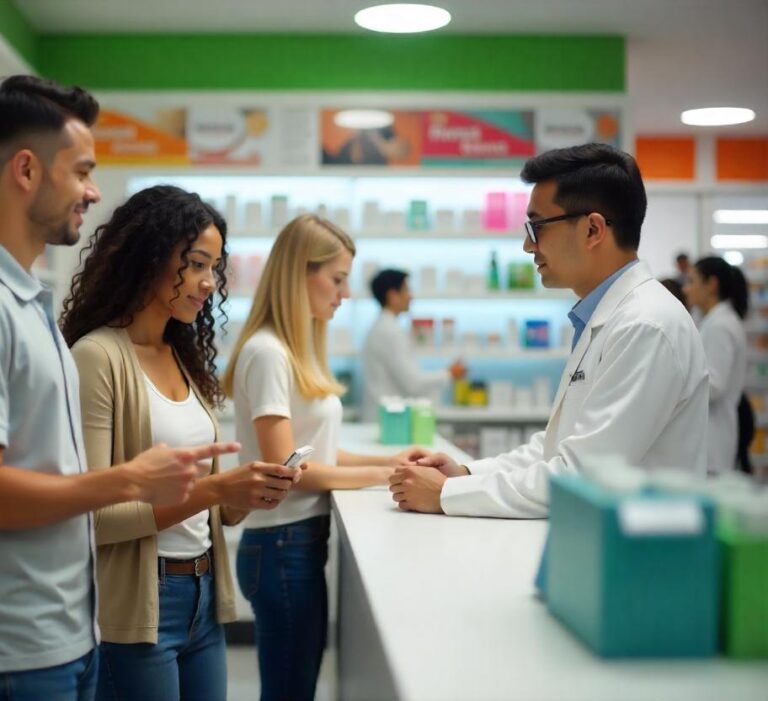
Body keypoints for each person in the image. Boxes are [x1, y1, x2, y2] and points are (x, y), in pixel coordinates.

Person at [0, 76, 237, 701]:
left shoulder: (24, 302)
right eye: (82, 170)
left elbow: (48, 472)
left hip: (60, 635)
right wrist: (133, 480)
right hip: (5, 649)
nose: (92, 191)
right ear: (26, 170)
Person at [60, 185, 302, 700]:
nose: (207, 283)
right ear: (149, 256)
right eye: (195, 264)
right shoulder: (97, 358)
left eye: (213, 268)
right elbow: (91, 517)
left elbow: (203, 505)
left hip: (203, 596)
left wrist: (243, 496)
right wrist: (215, 492)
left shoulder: (181, 356)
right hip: (137, 606)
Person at [389, 143, 710, 518]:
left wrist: (448, 494)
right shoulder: (610, 316)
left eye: (537, 226)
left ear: (593, 230)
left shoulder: (647, 325)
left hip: (643, 559)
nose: (528, 245)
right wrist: (465, 473)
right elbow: (557, 447)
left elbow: (582, 479)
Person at [222, 214, 431, 700]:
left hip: (294, 545)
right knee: (291, 691)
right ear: (300, 274)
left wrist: (392, 460)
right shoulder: (269, 352)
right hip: (280, 547)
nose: (345, 294)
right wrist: (388, 473)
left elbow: (315, 450)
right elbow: (288, 471)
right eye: (337, 280)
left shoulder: (293, 350)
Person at [361, 268, 465, 420]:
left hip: (384, 417)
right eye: (406, 290)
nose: (411, 296)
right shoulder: (390, 332)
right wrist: (449, 374)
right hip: (388, 420)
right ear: (392, 295)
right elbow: (413, 383)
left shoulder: (384, 327)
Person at [683, 256, 749, 474]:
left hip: (713, 443)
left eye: (692, 281)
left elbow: (714, 386)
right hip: (709, 441)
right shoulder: (712, 321)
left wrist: (673, 383)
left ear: (711, 284)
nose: (686, 289)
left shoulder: (720, 326)